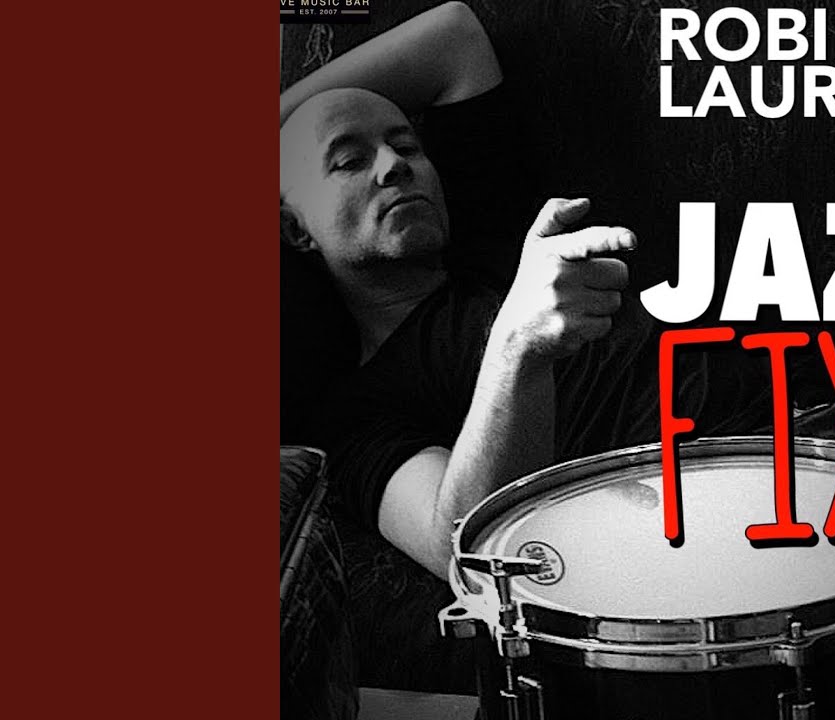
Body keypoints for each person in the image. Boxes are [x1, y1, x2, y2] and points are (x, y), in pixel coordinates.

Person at [280, 3, 771, 581]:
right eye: (348, 161)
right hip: (715, 516)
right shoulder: (357, 414)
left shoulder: (494, 238)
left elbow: (453, 36)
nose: (394, 165)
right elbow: (460, 551)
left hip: (820, 420)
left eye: (407, 146)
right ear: (296, 230)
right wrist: (518, 347)